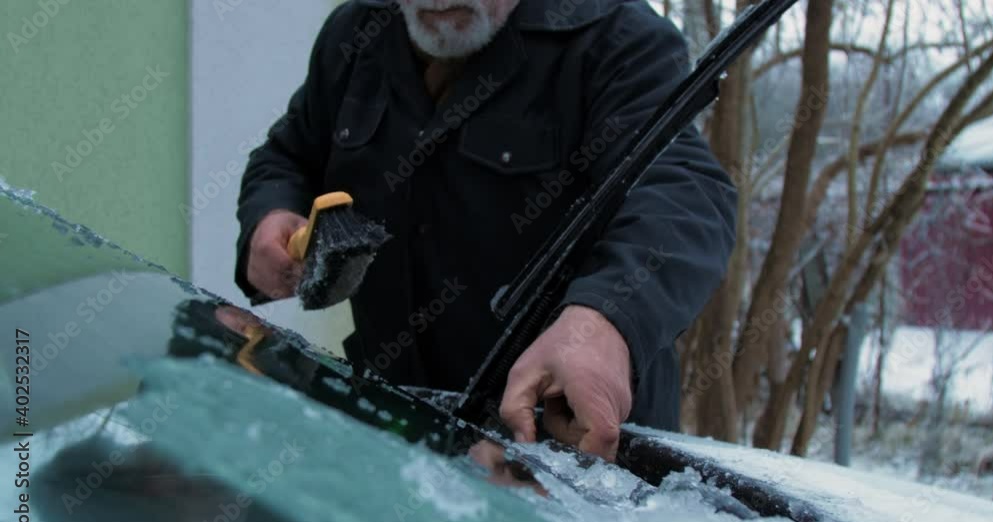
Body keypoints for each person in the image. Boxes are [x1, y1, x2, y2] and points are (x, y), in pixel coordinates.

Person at [235, 0, 736, 461]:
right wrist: (271, 214)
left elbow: (684, 194)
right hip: (394, 434)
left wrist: (605, 320)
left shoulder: (617, 38)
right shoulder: (357, 33)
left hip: (564, 455)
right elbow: (287, 157)